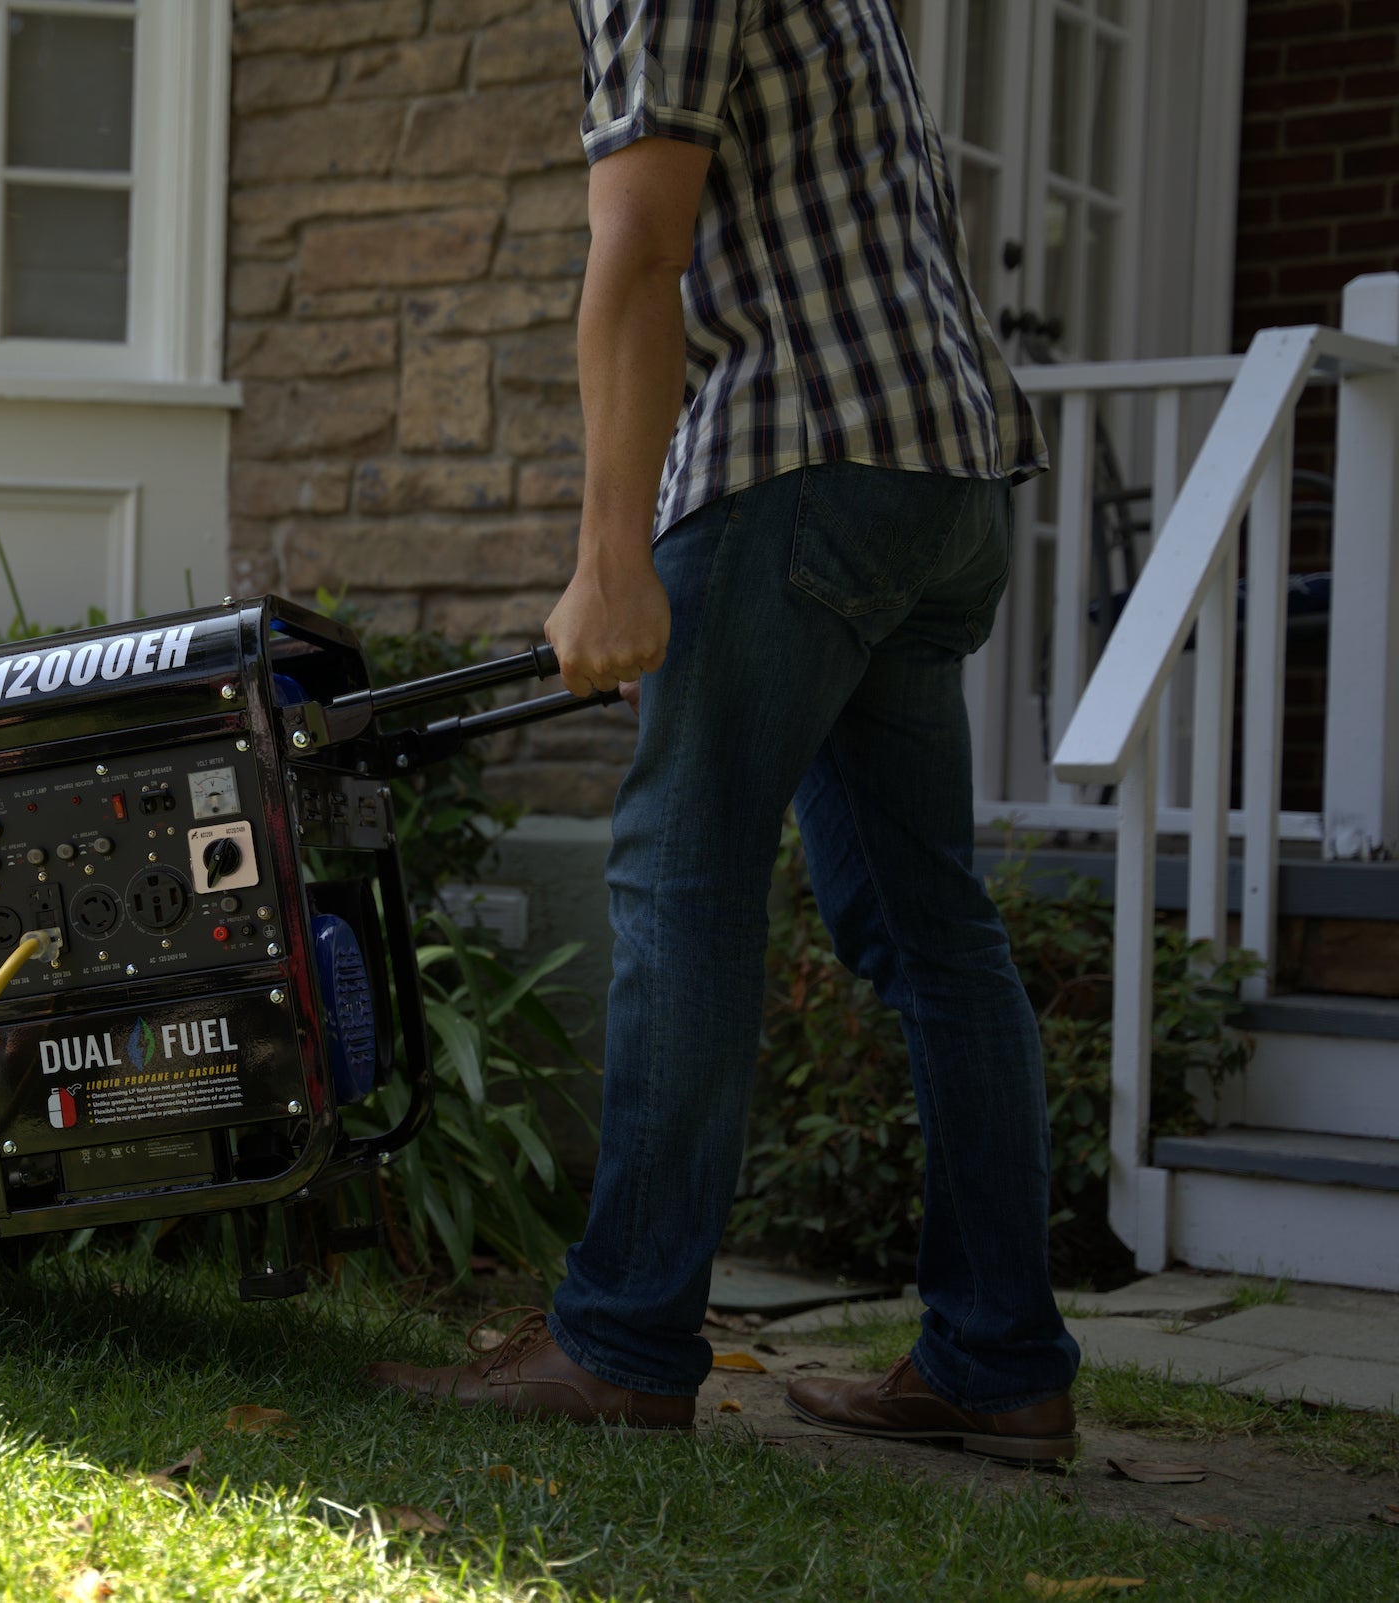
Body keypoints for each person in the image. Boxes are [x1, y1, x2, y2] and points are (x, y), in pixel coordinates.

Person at [366, 0, 1082, 1462]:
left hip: (800, 460)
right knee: (933, 928)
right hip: (936, 471)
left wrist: (614, 554)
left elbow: (641, 247)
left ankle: (622, 1341)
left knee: (683, 895)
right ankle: (1001, 1361)